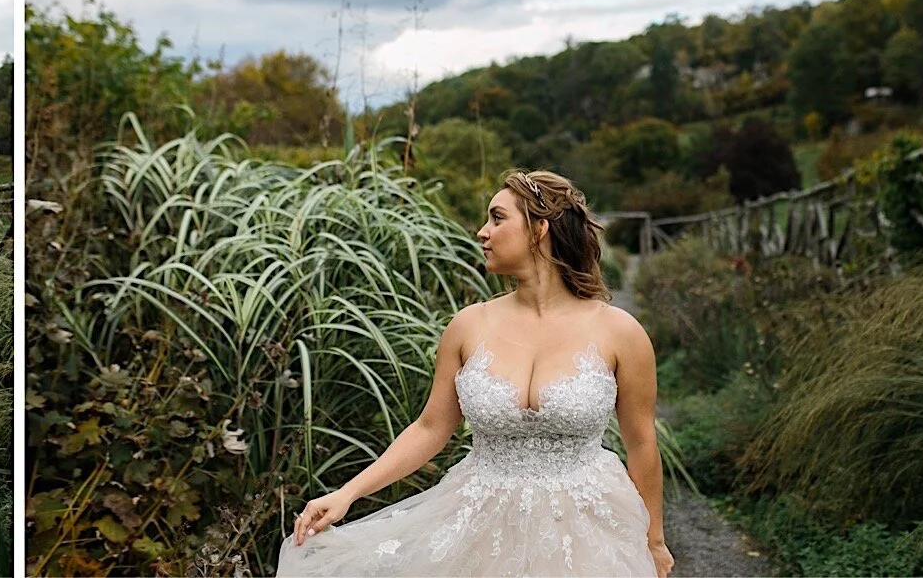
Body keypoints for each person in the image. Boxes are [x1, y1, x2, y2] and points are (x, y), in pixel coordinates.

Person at [278, 170, 674, 577]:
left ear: (539, 229)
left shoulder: (620, 332)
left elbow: (642, 444)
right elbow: (431, 428)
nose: (483, 232)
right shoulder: (468, 326)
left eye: (497, 218)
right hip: (481, 527)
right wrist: (348, 493)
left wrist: (654, 541)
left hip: (586, 533)